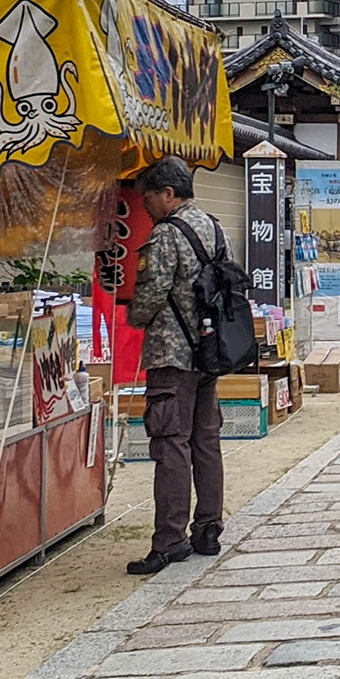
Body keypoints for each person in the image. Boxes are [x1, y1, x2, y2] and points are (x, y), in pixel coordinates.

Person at [125, 157, 226, 575]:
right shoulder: (215, 227)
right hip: (208, 352)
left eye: (148, 197)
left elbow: (149, 297)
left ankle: (169, 540)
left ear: (168, 194)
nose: (144, 206)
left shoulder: (166, 235)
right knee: (206, 440)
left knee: (170, 444)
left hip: (172, 354)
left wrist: (132, 316)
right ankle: (208, 528)